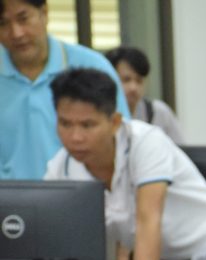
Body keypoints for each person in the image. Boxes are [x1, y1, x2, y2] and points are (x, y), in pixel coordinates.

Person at [43, 68, 206, 260]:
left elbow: (148, 218)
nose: (75, 137)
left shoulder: (146, 143)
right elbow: (48, 237)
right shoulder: (60, 168)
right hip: (155, 258)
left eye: (87, 125)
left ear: (115, 122)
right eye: (65, 124)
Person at [0, 0, 129, 179]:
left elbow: (122, 142)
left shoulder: (91, 66)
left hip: (81, 191)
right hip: (8, 195)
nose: (16, 33)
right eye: (3, 23)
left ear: (44, 13)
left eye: (23, 19)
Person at [105, 46, 183, 144]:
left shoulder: (159, 112)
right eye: (126, 80)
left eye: (139, 81)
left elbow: (181, 149)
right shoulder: (101, 114)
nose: (133, 88)